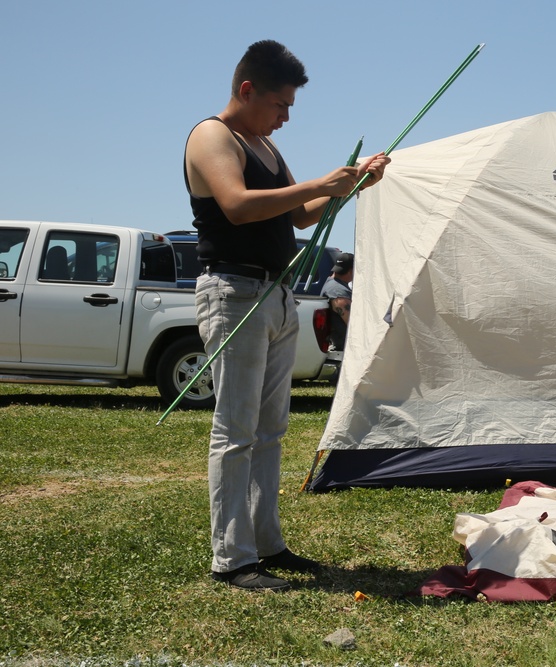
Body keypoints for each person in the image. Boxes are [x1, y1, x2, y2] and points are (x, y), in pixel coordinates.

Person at [183, 39, 389, 591]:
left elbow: (298, 214)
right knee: (235, 430)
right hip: (234, 292)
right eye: (281, 104)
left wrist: (349, 186)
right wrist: (322, 181)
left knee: (270, 430)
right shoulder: (212, 137)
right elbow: (237, 204)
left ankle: (266, 543)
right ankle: (233, 558)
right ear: (247, 90)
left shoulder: (265, 147)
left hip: (275, 296)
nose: (286, 116)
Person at [321, 252, 354, 352]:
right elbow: (353, 323)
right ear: (351, 271)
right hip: (344, 349)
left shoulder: (332, 284)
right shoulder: (338, 291)